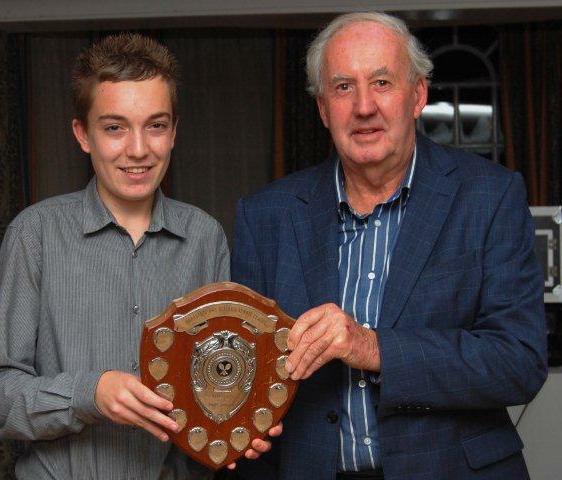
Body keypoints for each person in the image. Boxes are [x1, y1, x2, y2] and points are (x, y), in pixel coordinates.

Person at [231, 12, 547, 480]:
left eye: (381, 82)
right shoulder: (265, 216)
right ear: (323, 108)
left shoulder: (490, 196)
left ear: (417, 95)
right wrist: (243, 422)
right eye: (343, 87)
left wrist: (373, 347)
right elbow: (247, 371)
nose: (364, 106)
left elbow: (519, 362)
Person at [0, 33, 276, 479]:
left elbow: (219, 379)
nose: (138, 149)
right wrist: (89, 394)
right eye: (115, 127)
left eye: (156, 125)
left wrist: (241, 424)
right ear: (83, 135)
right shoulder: (35, 235)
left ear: (174, 132)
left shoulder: (205, 237)